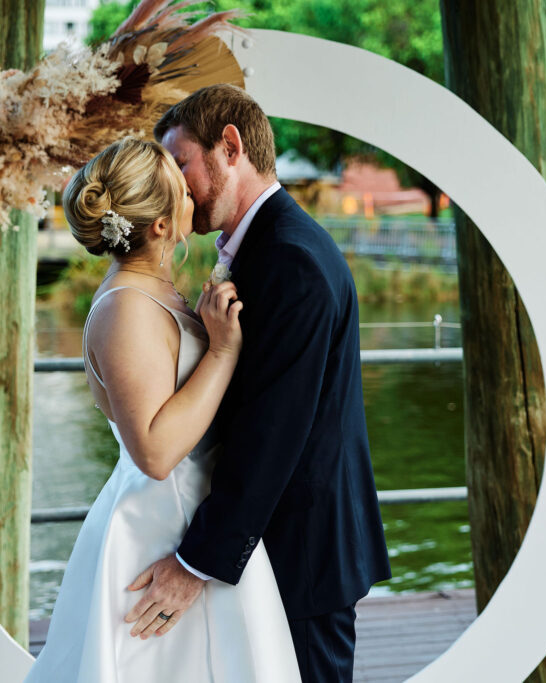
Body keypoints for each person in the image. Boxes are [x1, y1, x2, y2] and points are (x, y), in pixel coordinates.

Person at [124, 84, 392, 683]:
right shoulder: (262, 248)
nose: (176, 184)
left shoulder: (290, 260)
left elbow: (274, 432)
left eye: (182, 163)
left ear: (230, 146)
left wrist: (195, 565)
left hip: (302, 554)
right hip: (266, 549)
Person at [23, 136, 301, 682]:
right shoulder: (126, 307)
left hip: (200, 521)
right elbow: (154, 451)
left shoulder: (156, 294)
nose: (192, 192)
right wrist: (222, 350)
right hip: (159, 531)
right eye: (179, 183)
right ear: (157, 225)